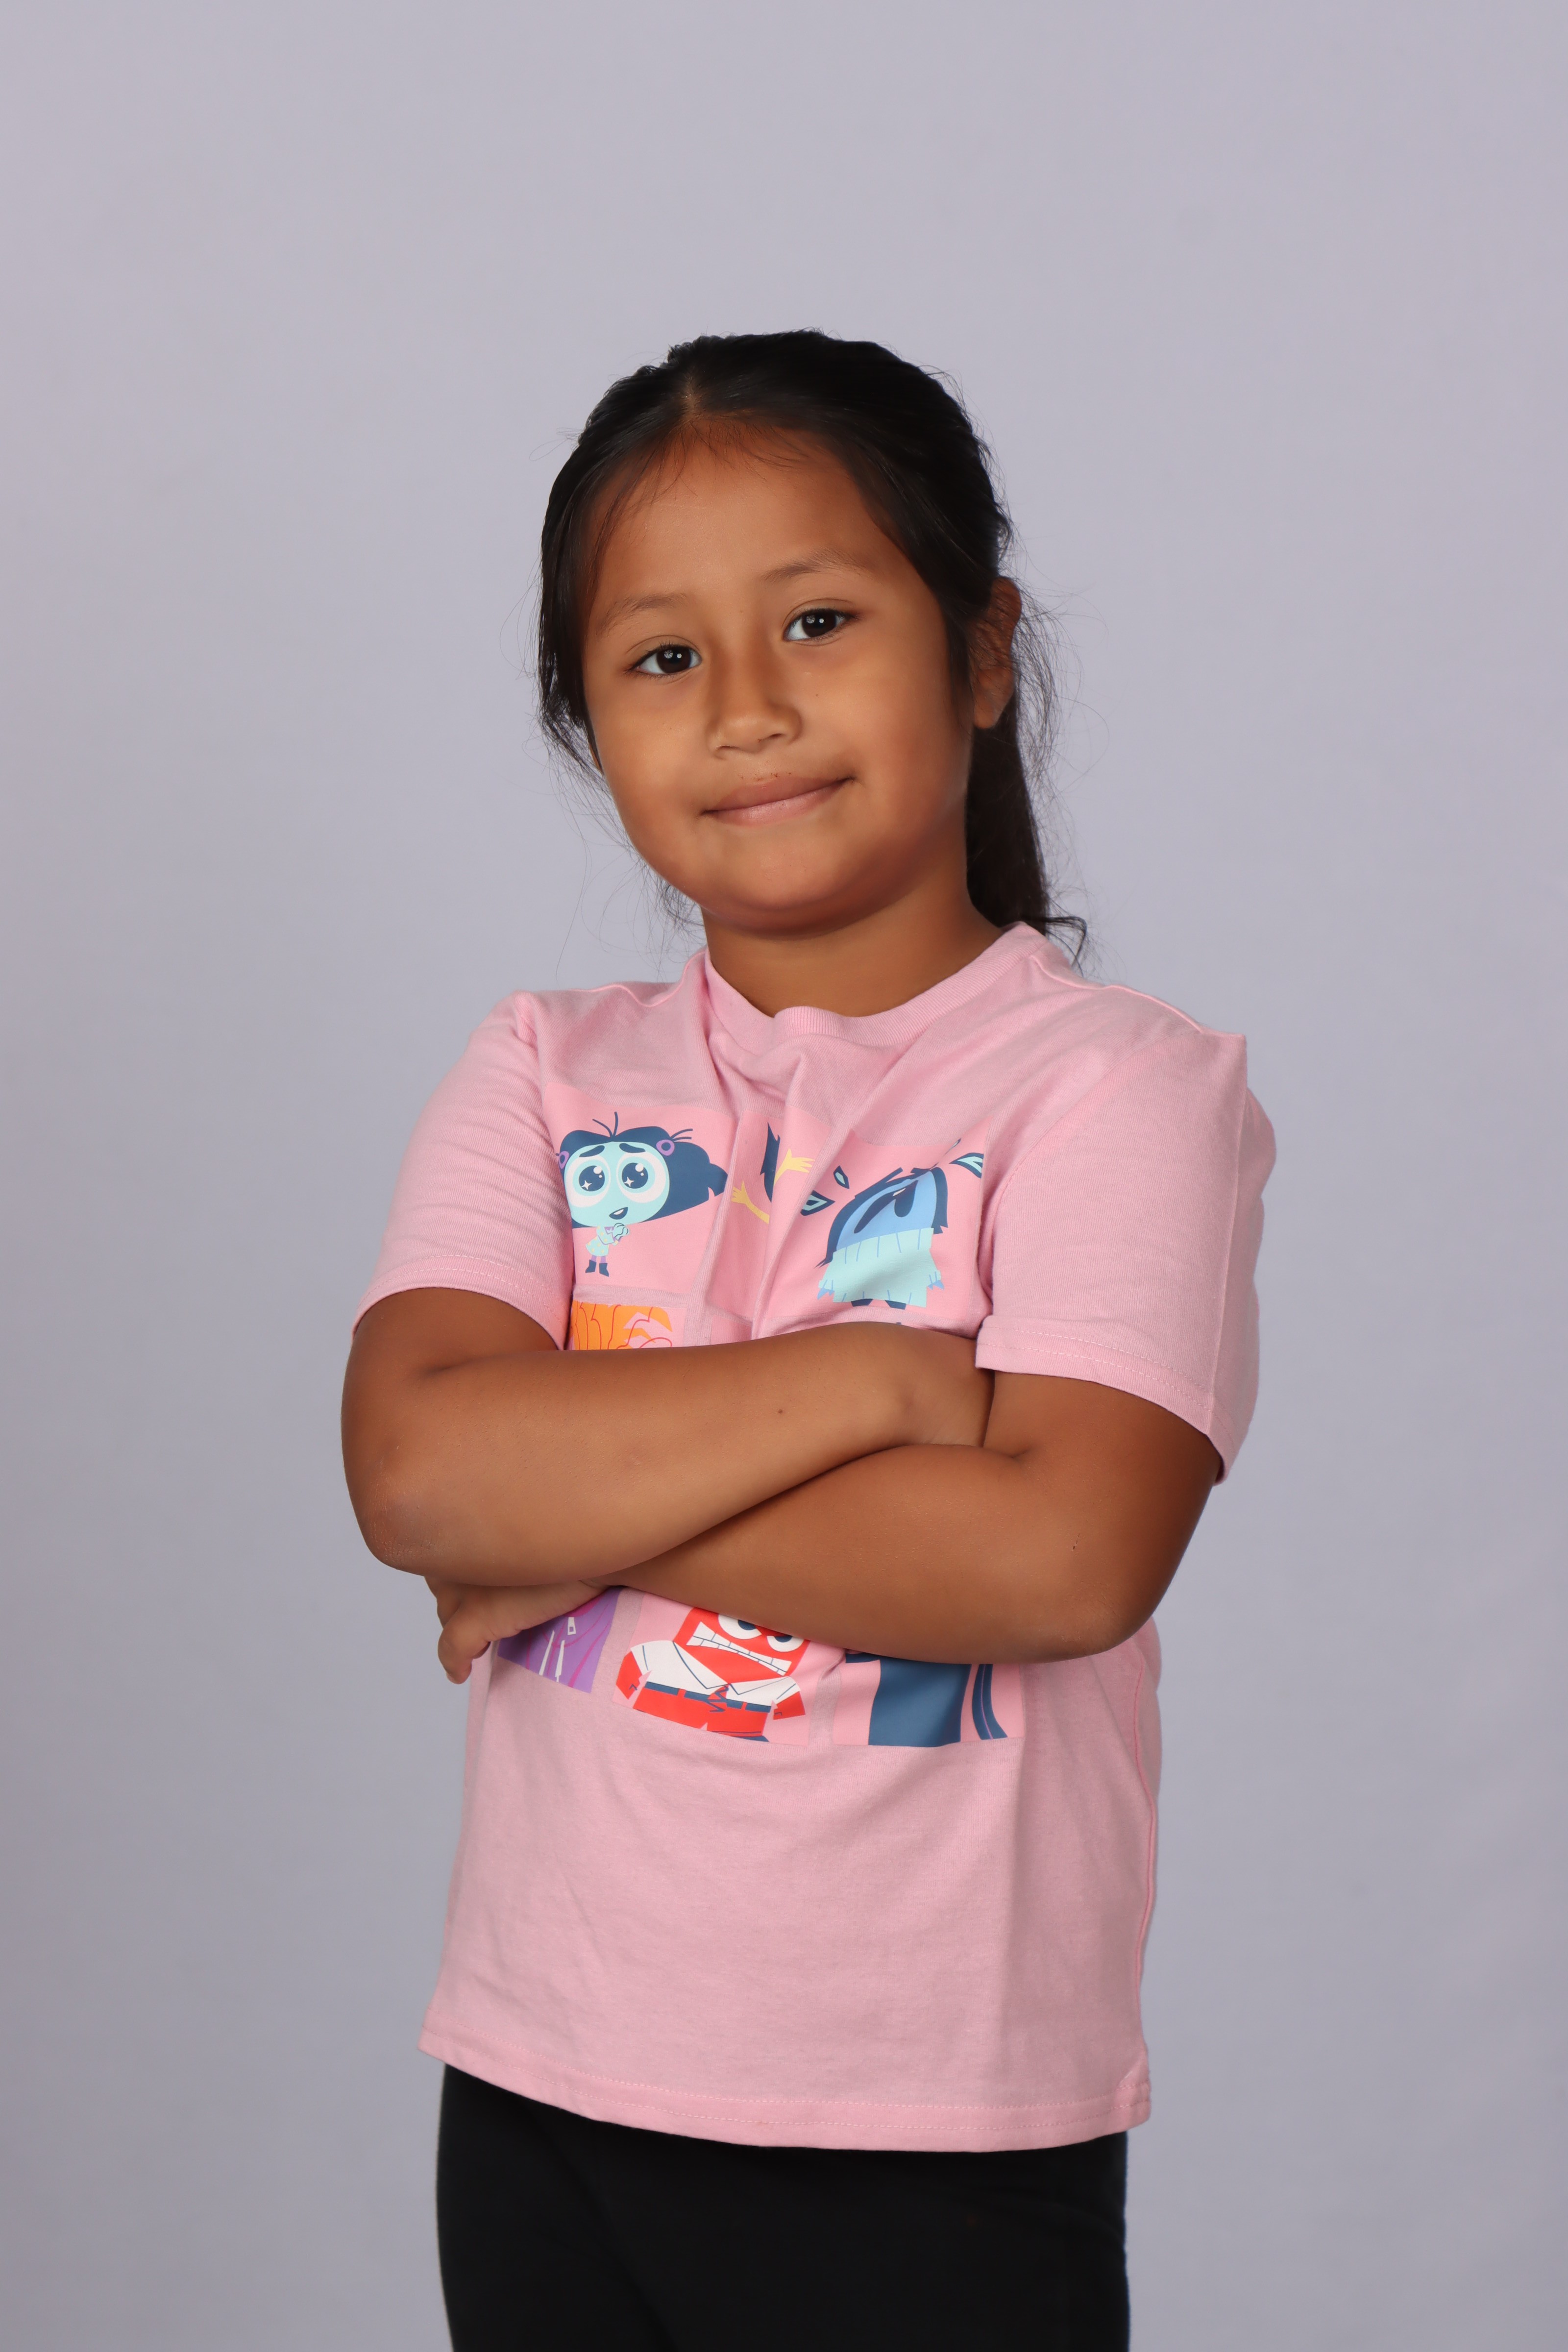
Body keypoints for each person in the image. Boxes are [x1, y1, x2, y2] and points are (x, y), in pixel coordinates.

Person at [342, 330, 1274, 2351]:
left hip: (927, 2126)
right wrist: (881, 1389)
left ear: (981, 649)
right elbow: (415, 1475)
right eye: (661, 657)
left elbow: (1059, 1559)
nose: (747, 708)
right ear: (586, 723)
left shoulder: (1117, 1094)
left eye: (820, 621)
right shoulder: (539, 1071)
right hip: (542, 2081)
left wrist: (563, 1503)